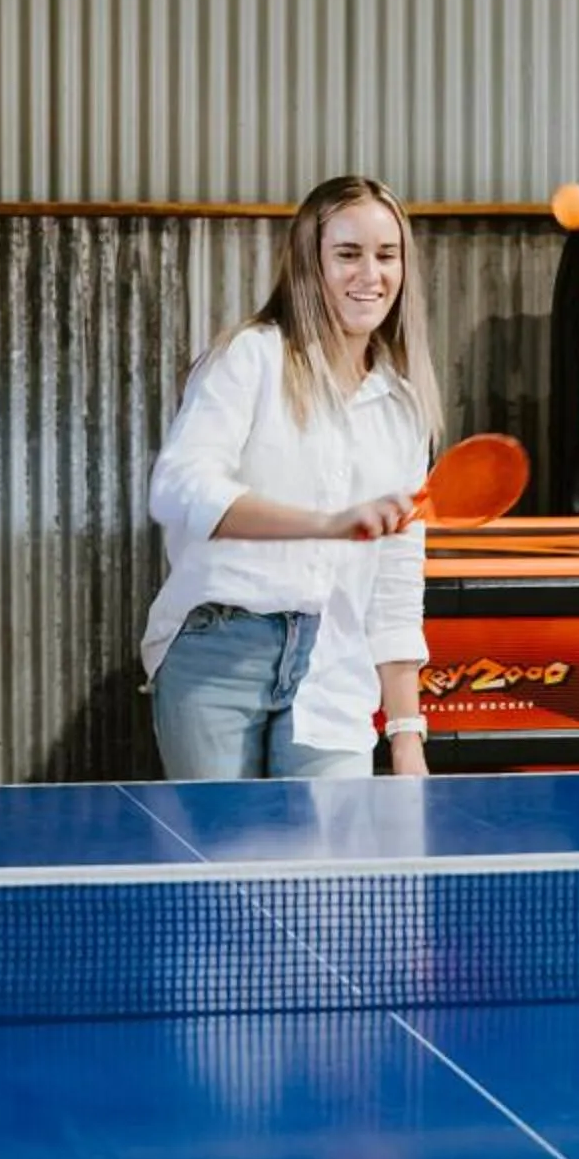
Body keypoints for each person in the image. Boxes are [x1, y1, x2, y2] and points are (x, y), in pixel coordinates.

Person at [142, 174, 441, 781]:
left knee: (333, 846)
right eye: (348, 254)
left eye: (387, 255)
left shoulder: (406, 409)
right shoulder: (250, 357)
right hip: (220, 652)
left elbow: (395, 581)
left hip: (335, 666)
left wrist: (407, 736)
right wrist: (326, 524)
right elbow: (179, 488)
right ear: (310, 262)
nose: (370, 274)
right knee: (223, 847)